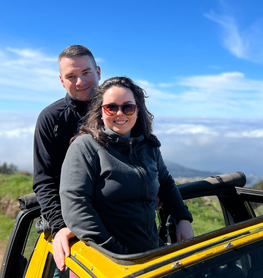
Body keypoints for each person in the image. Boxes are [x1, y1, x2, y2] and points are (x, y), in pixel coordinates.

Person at [60, 76, 194, 255]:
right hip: (112, 264)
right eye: (111, 107)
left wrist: (182, 218)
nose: (120, 113)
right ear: (100, 111)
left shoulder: (148, 147)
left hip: (151, 255)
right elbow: (76, 208)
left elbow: (166, 182)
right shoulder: (85, 147)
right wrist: (118, 253)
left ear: (138, 112)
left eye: (128, 107)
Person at [33, 45, 100, 272]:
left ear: (98, 72)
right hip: (72, 229)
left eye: (86, 73)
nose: (80, 82)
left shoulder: (119, 110)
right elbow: (44, 181)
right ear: (62, 80)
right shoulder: (50, 119)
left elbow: (146, 159)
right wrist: (61, 227)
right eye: (71, 76)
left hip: (120, 219)